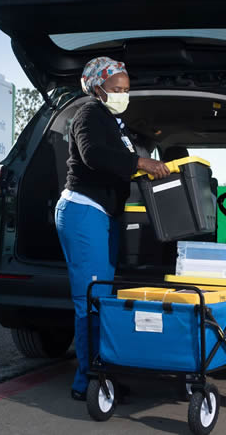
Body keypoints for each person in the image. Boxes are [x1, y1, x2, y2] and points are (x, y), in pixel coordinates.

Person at [54, 57, 170, 400]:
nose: (123, 95)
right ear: (97, 87)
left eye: (127, 90)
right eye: (117, 89)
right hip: (83, 210)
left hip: (103, 214)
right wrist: (140, 162)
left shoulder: (113, 122)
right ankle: (87, 381)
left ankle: (104, 370)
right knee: (90, 299)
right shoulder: (89, 113)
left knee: (102, 298)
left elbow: (117, 161)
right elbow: (93, 155)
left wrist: (143, 167)